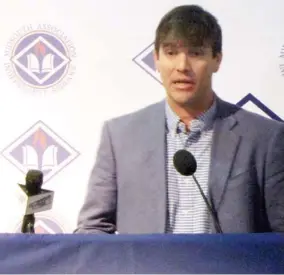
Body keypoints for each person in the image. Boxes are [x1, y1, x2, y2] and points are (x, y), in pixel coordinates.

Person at [75, 4, 284, 234]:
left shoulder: (265, 138)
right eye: (171, 53)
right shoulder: (119, 137)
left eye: (196, 53)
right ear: (156, 59)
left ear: (217, 60)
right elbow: (93, 230)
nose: (182, 67)